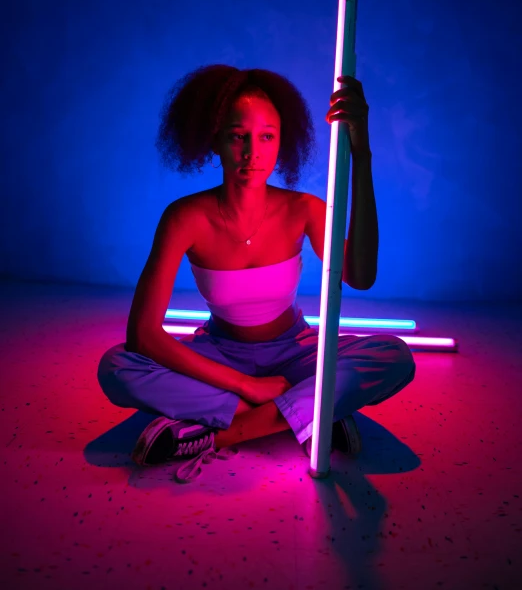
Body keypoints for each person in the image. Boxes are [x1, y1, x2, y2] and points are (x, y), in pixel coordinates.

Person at [97, 65, 416, 482]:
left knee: (393, 356)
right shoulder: (184, 217)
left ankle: (218, 433)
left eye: (267, 136)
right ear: (214, 139)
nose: (252, 152)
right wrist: (245, 384)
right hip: (219, 352)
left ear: (282, 141)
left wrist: (362, 152)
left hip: (296, 351)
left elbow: (361, 276)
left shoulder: (304, 209)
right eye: (236, 135)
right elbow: (143, 335)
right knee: (118, 367)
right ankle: (312, 416)